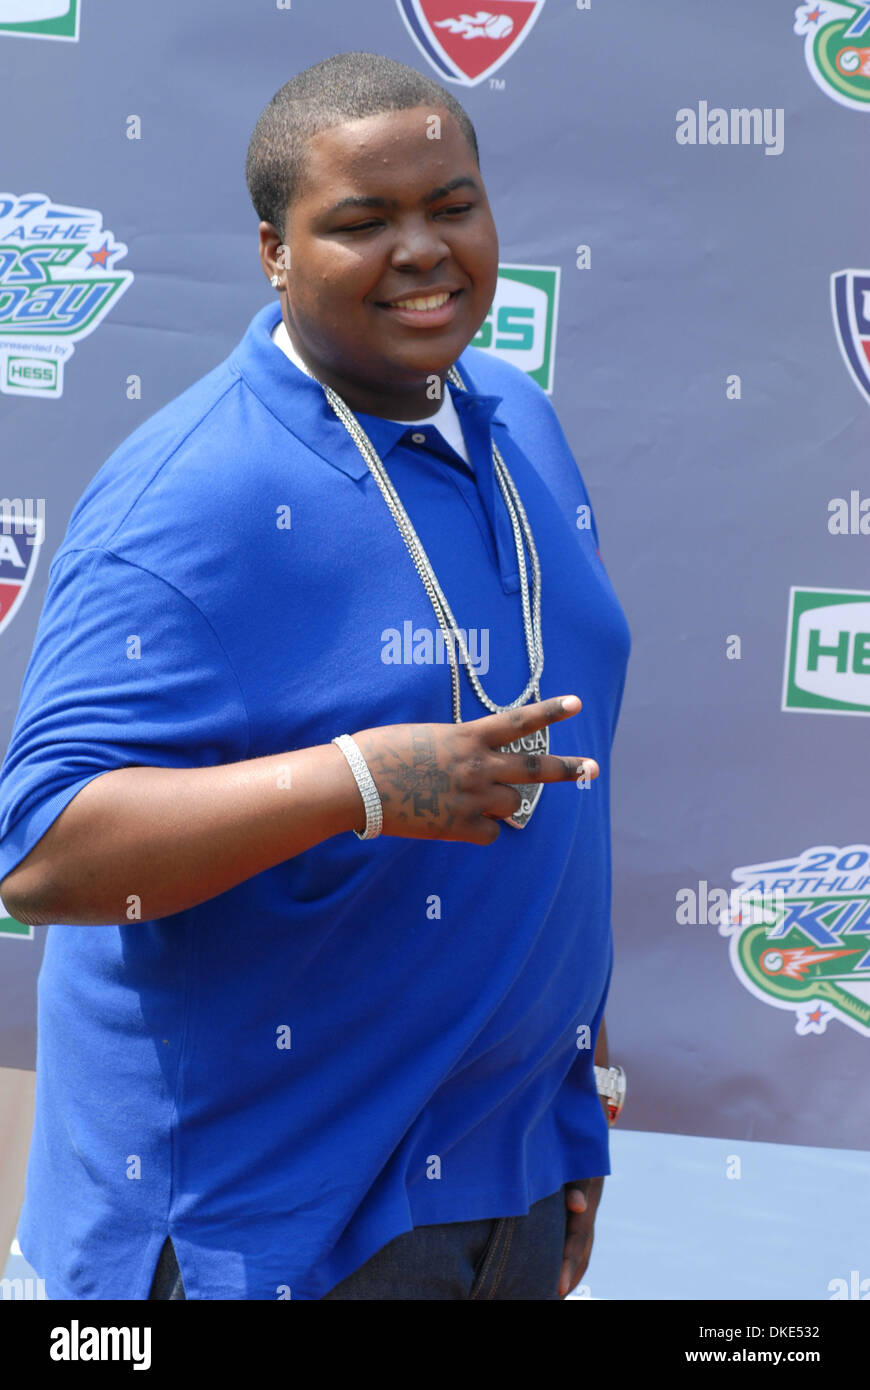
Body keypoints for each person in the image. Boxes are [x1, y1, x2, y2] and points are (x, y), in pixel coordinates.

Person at [0, 51, 631, 1301]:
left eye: (452, 205)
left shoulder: (515, 419)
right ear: (274, 254)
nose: (423, 250)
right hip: (261, 1232)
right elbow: (44, 856)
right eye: (361, 222)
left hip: (496, 1177)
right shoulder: (193, 495)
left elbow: (563, 803)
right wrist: (358, 781)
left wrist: (578, 1094)